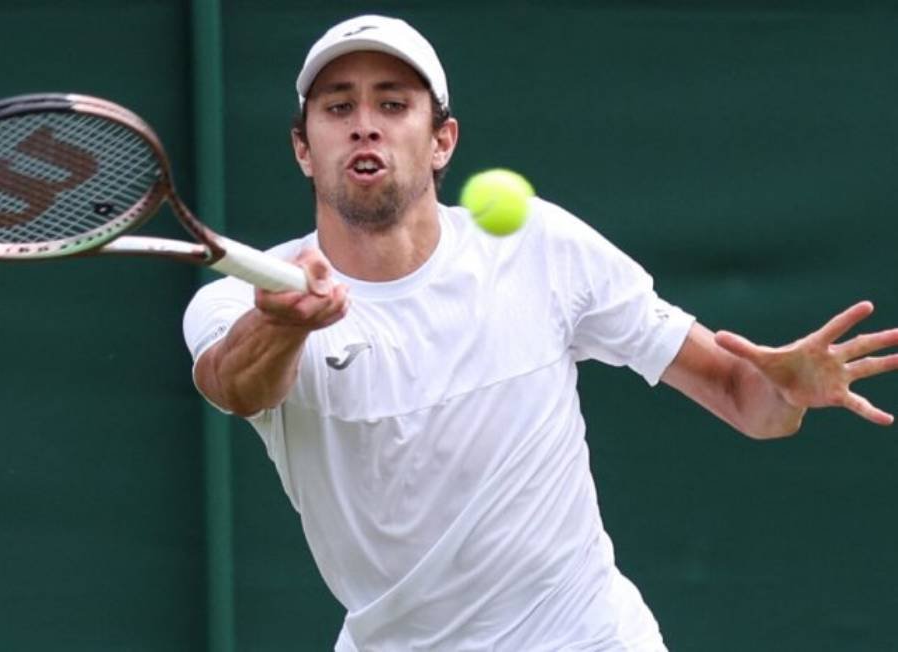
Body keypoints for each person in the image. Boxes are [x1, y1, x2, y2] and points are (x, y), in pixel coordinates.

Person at [182, 14, 898, 651]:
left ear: (441, 141)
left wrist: (786, 390)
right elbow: (236, 386)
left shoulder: (540, 245)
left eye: (393, 105)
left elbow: (746, 401)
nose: (365, 123)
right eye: (338, 108)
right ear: (305, 149)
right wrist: (281, 327)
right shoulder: (251, 296)